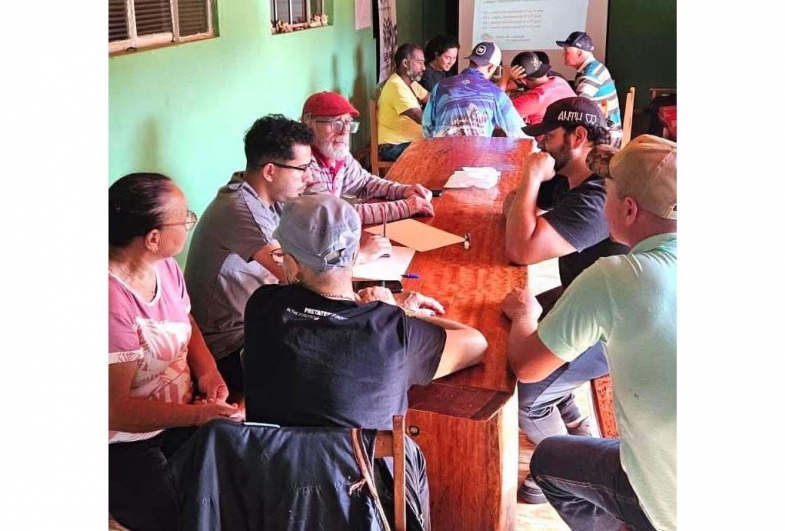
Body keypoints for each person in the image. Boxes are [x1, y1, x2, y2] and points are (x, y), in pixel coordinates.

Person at [243, 194, 488, 530]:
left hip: (274, 501)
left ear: (294, 265)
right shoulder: (389, 331)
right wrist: (399, 312)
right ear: (356, 254)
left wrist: (368, 307)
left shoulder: (261, 307)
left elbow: (322, 313)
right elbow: (476, 344)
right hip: (365, 511)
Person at [502, 134, 677, 530]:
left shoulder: (619, 276)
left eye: (606, 192)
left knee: (545, 453)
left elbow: (526, 367)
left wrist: (525, 314)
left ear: (628, 209)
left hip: (670, 505)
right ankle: (576, 420)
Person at [185, 114, 394, 395]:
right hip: (230, 347)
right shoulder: (240, 210)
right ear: (270, 171)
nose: (308, 177)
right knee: (347, 359)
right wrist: (358, 255)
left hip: (264, 319)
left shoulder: (273, 199)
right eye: (302, 169)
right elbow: (299, 274)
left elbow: (317, 236)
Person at [503, 96, 629, 504]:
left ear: (578, 137)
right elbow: (511, 212)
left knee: (526, 395)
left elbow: (520, 250)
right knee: (504, 322)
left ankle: (563, 470)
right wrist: (530, 187)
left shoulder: (597, 196)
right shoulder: (571, 177)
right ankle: (575, 422)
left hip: (613, 327)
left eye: (548, 135)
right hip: (586, 298)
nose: (541, 144)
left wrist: (530, 179)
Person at [109, 173, 243, 531]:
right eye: (184, 218)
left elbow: (186, 319)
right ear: (153, 238)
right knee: (182, 516)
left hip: (179, 414)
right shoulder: (111, 300)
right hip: (127, 440)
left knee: (233, 484)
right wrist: (197, 416)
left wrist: (208, 372)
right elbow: (115, 411)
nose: (189, 223)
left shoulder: (164, 266)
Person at [302, 91, 435, 225]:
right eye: (335, 122)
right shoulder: (302, 164)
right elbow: (336, 215)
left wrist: (404, 190)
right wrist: (406, 207)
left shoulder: (337, 156)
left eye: (348, 122)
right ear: (309, 125)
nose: (344, 131)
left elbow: (365, 183)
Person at [422, 41, 527, 138]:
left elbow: (426, 126)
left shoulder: (440, 87)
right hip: (478, 152)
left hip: (442, 150)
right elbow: (519, 132)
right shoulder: (496, 93)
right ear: (491, 68)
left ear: (471, 61)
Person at [556, 31, 622, 147]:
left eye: (567, 52)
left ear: (579, 53)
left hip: (607, 137)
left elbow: (578, 107)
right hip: (609, 129)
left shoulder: (590, 74)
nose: (563, 55)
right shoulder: (593, 68)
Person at [377, 43, 429, 162]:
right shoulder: (397, 87)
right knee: (439, 151)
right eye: (420, 62)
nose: (424, 68)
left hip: (409, 142)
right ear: (405, 63)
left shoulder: (411, 84)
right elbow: (420, 118)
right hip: (393, 147)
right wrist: (445, 119)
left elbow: (433, 100)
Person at [505, 51, 576, 125]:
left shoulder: (534, 99)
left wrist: (505, 77)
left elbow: (498, 113)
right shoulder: (558, 80)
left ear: (523, 80)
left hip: (546, 132)